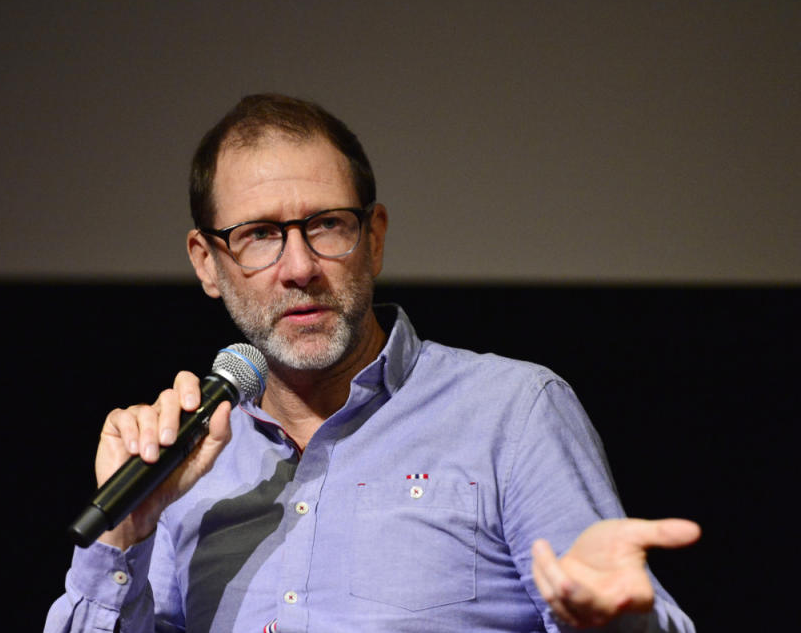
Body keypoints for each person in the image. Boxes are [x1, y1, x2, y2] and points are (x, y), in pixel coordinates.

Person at [46, 93, 699, 632]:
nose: (299, 268)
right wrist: (125, 532)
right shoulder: (182, 469)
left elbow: (612, 601)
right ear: (207, 262)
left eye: (326, 225)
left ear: (375, 236)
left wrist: (619, 625)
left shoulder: (512, 412)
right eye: (260, 235)